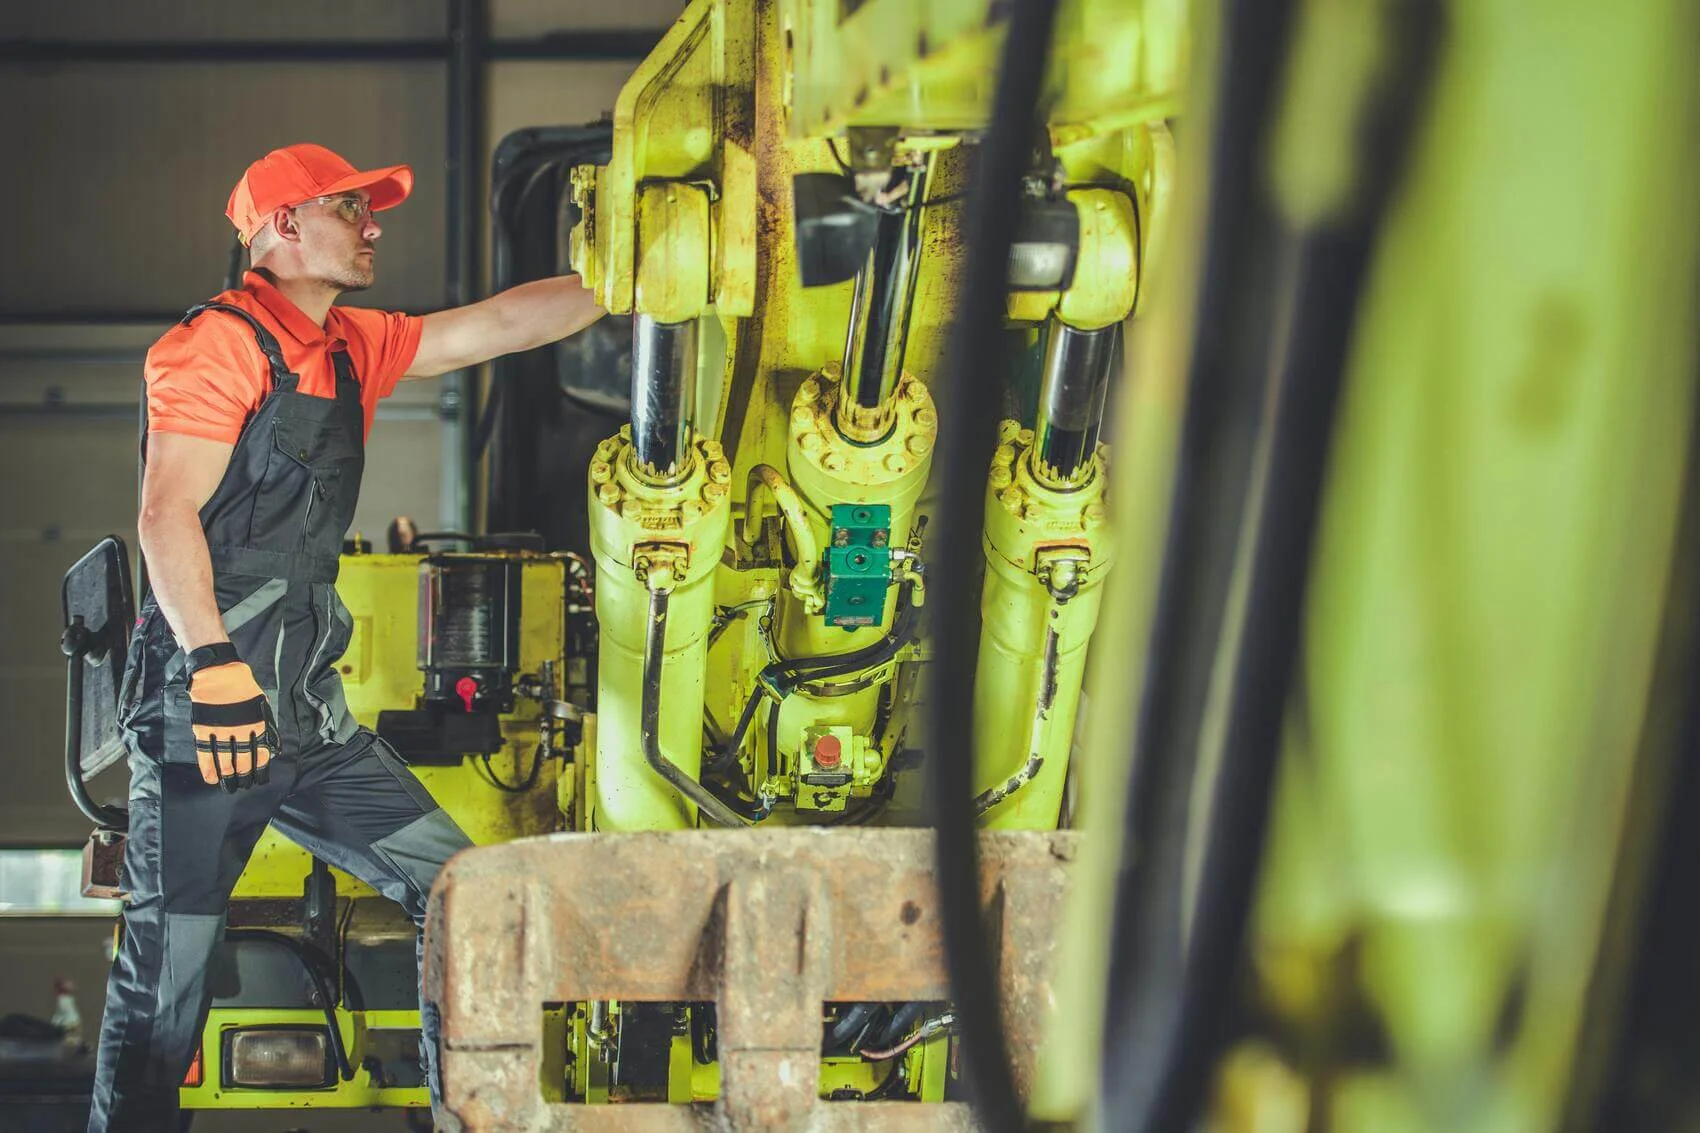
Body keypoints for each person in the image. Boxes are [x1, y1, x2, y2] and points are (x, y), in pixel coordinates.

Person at [89, 142, 604, 1132]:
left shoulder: (346, 344)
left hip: (310, 725)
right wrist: (214, 667)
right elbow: (165, 517)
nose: (373, 225)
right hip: (213, 717)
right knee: (170, 971)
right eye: (350, 208)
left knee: (463, 893)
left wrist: (633, 273)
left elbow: (498, 324)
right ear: (283, 224)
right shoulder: (216, 345)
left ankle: (463, 1113)